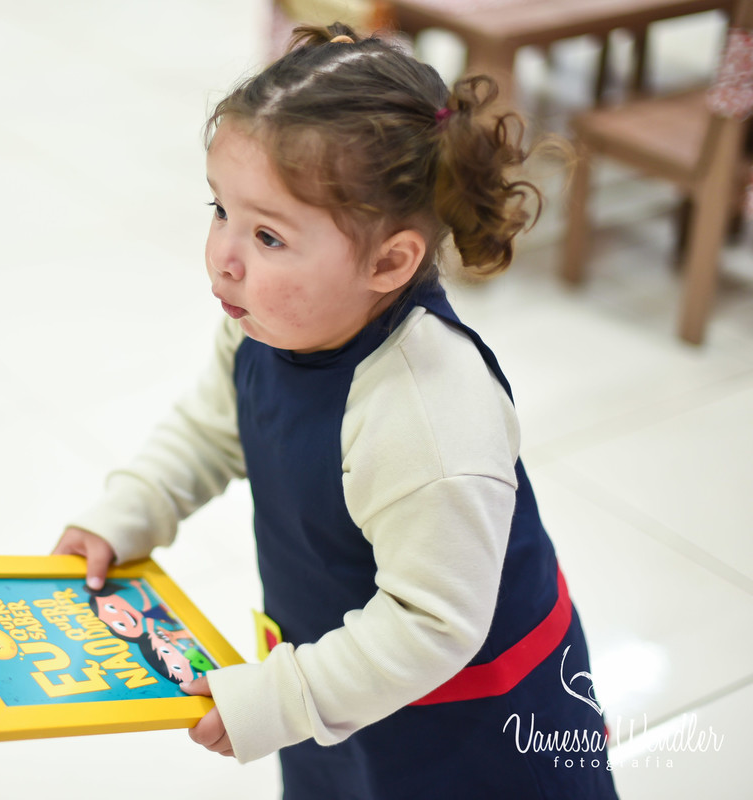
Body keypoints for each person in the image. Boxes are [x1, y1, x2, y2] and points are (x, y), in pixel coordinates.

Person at [54, 22, 618, 799]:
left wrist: (285, 698)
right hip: (338, 690)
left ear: (389, 260)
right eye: (220, 209)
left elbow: (433, 623)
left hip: (472, 732)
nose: (223, 256)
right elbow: (213, 429)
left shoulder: (428, 410)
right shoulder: (264, 327)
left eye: (267, 236)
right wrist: (129, 512)